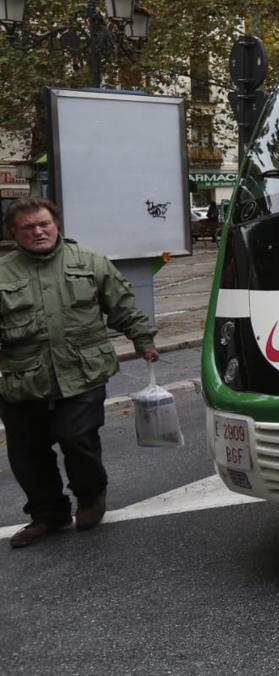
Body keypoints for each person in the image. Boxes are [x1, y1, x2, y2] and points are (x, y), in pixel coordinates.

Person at [0, 197, 159, 548]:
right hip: (24, 378)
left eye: (44, 224)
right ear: (14, 233)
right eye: (28, 227)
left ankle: (90, 497)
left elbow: (122, 305)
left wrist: (143, 339)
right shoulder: (3, 273)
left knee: (76, 437)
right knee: (28, 452)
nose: (38, 231)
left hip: (83, 370)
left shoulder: (89, 261)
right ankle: (48, 515)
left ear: (57, 225)